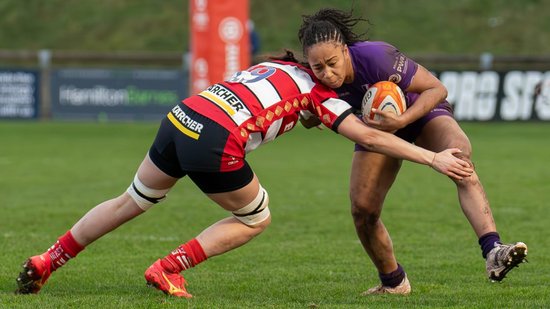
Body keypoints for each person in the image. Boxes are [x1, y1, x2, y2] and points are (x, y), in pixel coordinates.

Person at [15, 52, 473, 298]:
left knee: (130, 199)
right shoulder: (324, 96)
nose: (330, 74)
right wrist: (431, 158)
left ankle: (47, 260)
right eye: (325, 67)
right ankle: (169, 268)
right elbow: (370, 138)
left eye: (333, 65)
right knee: (256, 218)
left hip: (182, 116)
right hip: (214, 138)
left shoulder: (269, 63)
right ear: (317, 65)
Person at [297, 8, 528, 295]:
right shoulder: (312, 80)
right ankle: (393, 282)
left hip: (417, 111)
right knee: (363, 210)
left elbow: (436, 88)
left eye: (332, 63)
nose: (327, 74)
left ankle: (493, 250)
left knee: (459, 155)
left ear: (345, 50)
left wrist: (402, 120)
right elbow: (310, 118)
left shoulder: (375, 57)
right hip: (377, 132)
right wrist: (308, 116)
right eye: (318, 67)